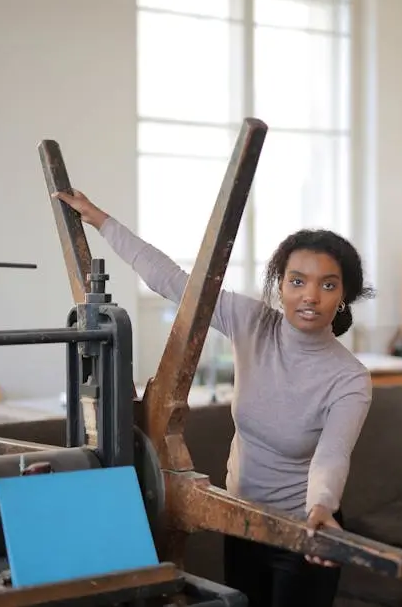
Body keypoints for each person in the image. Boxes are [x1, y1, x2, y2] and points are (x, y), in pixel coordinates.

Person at [53, 189, 375, 607]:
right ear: (280, 285)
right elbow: (172, 281)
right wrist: (100, 219)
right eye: (297, 281)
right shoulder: (251, 322)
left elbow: (331, 456)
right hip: (240, 522)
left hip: (304, 532)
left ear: (343, 295)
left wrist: (321, 508)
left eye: (327, 285)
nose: (310, 296)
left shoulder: (349, 378)